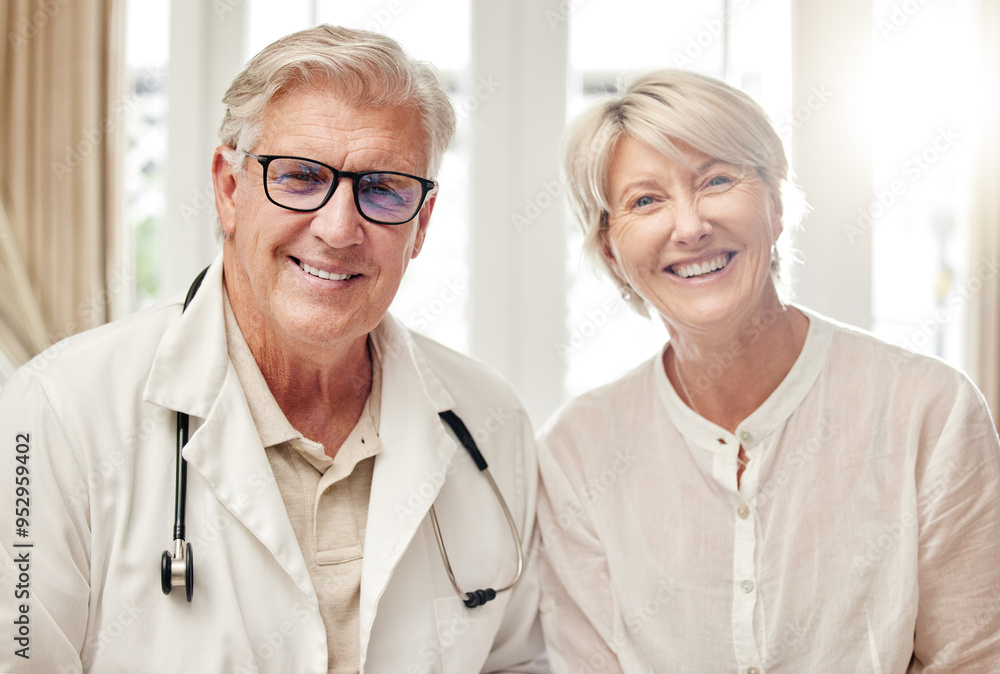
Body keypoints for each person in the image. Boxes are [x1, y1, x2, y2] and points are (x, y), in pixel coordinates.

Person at [0, 25, 547, 673]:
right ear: (229, 190)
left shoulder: (489, 423)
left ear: (421, 224)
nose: (340, 229)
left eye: (383, 189)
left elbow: (519, 662)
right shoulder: (57, 412)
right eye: (299, 177)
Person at [536, 69, 1000, 673]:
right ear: (610, 251)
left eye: (717, 180)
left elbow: (974, 659)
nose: (690, 226)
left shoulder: (929, 410)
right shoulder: (578, 451)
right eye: (645, 200)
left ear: (776, 205)